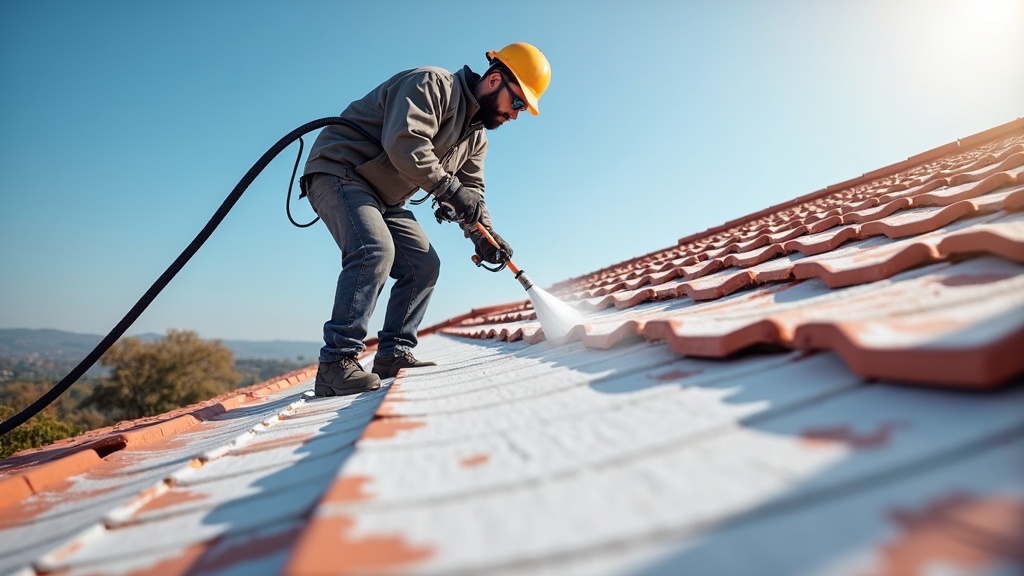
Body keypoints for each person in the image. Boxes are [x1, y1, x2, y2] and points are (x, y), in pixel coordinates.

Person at [301, 42, 552, 396]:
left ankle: (392, 353)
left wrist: (485, 237)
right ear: (495, 80)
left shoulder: (476, 138)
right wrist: (451, 190)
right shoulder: (433, 85)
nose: (516, 115)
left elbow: (472, 193)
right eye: (517, 103)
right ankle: (336, 363)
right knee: (374, 250)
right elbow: (405, 144)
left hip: (386, 195)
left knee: (423, 264)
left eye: (522, 109)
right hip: (342, 172)